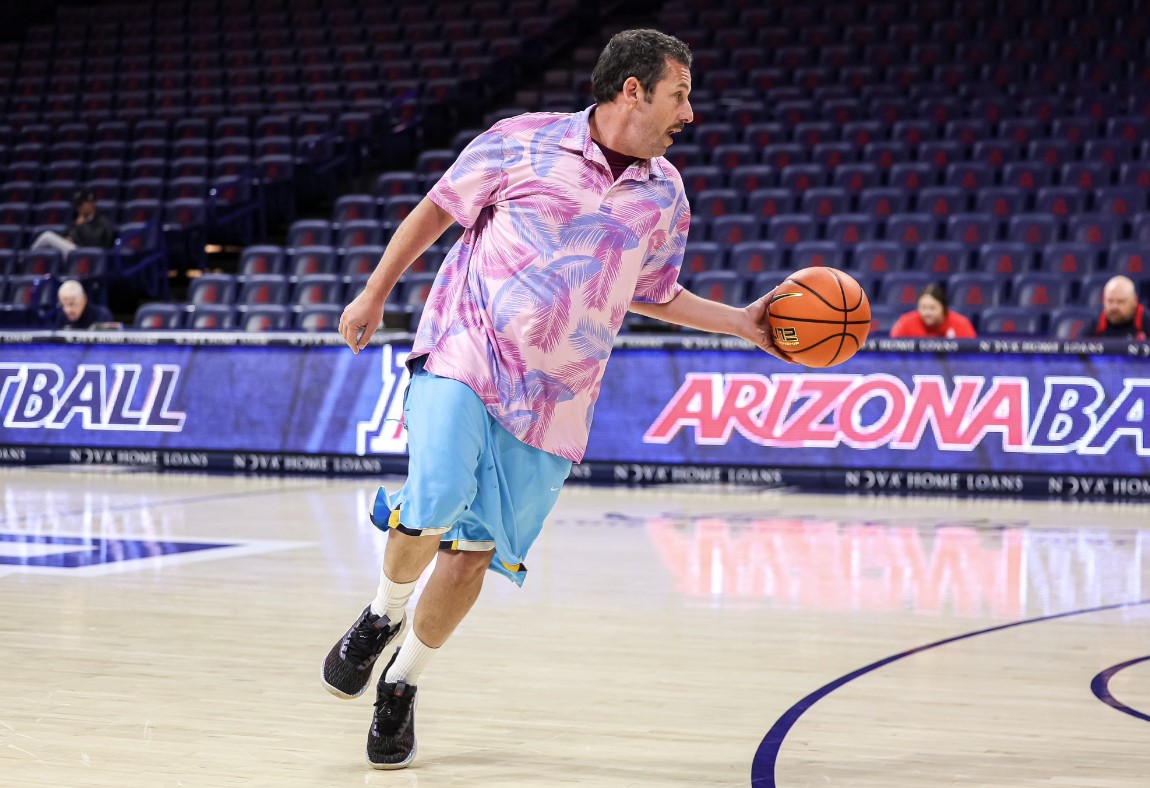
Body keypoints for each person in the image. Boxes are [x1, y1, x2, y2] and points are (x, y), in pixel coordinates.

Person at [323, 29, 789, 770]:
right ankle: (381, 613)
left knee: (473, 558)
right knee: (436, 496)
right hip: (465, 351)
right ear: (631, 90)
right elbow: (434, 212)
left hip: (557, 401)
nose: (690, 114)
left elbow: (654, 293)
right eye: (680, 94)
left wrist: (739, 322)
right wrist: (374, 293)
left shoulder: (665, 193)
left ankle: (403, 685)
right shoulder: (519, 142)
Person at [31, 189, 117, 253]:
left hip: (87, 253)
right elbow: (66, 235)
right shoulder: (76, 221)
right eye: (77, 204)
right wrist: (68, 239)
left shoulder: (101, 220)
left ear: (92, 203)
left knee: (47, 236)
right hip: (73, 252)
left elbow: (96, 242)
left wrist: (80, 227)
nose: (78, 207)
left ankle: (23, 261)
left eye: (81, 204)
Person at [889, 283, 977, 339]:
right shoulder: (905, 323)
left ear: (943, 308)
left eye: (932, 308)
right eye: (923, 307)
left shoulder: (961, 324)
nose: (927, 313)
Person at [1088, 275, 1146, 339]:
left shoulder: (1146, 320)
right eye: (1110, 301)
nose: (1114, 307)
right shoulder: (1098, 322)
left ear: (1135, 301)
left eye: (1120, 301)